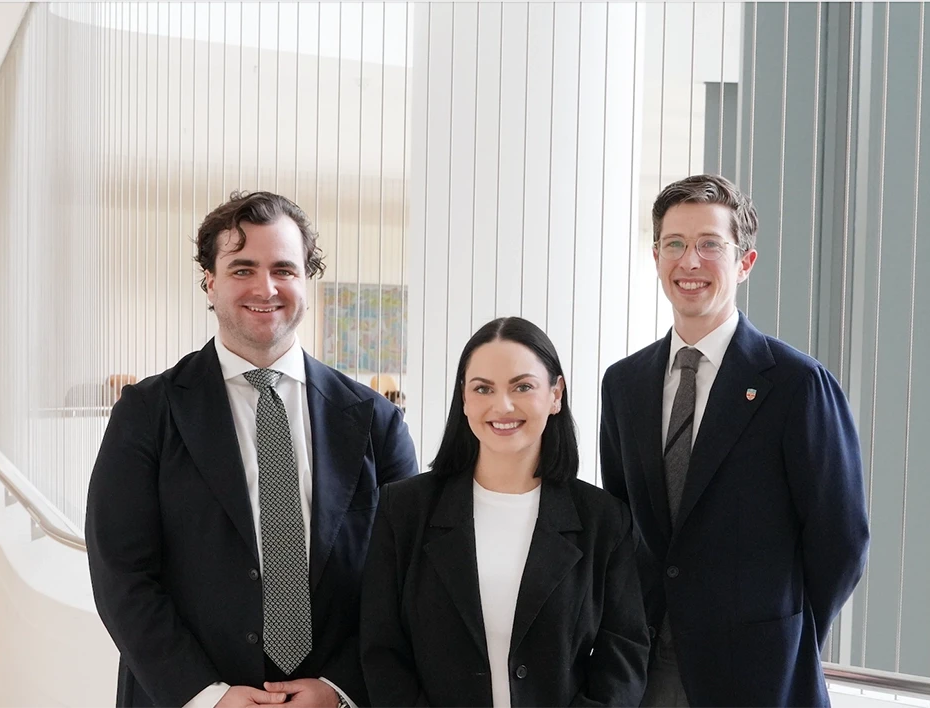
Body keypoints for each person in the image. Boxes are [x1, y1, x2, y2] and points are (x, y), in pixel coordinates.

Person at [86, 191, 419, 708]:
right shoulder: (148, 413)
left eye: (284, 269)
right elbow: (121, 575)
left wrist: (340, 686)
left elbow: (403, 581)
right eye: (243, 269)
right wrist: (206, 695)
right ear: (210, 282)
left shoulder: (377, 421)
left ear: (306, 280)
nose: (266, 288)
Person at [599, 175, 870, 707]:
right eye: (673, 244)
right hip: (646, 666)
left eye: (709, 245)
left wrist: (786, 632)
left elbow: (841, 539)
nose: (689, 261)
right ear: (655, 256)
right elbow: (622, 521)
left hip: (759, 673)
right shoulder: (624, 384)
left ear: (744, 263)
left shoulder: (796, 384)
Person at [361, 317, 649, 708]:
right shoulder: (403, 510)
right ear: (464, 398)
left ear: (555, 394)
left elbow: (623, 657)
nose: (503, 406)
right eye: (483, 389)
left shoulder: (605, 521)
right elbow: (382, 652)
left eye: (523, 386)